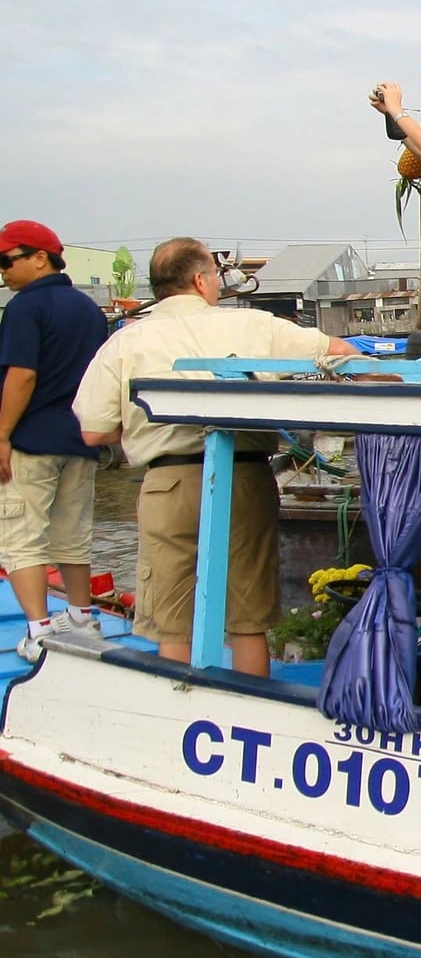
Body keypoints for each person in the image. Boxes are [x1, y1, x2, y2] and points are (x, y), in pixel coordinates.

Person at [73, 239, 360, 675]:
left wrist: (141, 426)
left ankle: (180, 709)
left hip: (168, 480)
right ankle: (254, 707)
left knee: (173, 619)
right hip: (245, 475)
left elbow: (93, 430)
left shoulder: (126, 342)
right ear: (201, 280)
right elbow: (342, 354)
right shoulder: (252, 324)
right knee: (248, 616)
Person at [0, 220, 109, 657]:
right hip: (80, 437)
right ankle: (82, 618)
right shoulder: (88, 309)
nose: (3, 272)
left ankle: (39, 629)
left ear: (39, 258)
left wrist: (2, 435)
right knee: (73, 534)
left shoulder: (25, 308)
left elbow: (22, 376)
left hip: (32, 439)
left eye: (7, 261)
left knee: (21, 534)